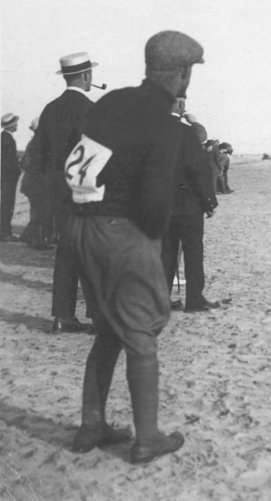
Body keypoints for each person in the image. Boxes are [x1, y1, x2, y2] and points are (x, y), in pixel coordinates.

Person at [67, 30, 204, 464]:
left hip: (81, 225)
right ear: (182, 74)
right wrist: (150, 238)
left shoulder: (111, 101)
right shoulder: (165, 124)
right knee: (142, 328)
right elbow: (155, 203)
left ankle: (92, 424)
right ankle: (147, 439)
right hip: (121, 231)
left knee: (110, 326)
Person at [37, 52, 99, 333]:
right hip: (84, 192)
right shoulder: (90, 109)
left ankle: (62, 316)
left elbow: (38, 157)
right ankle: (99, 318)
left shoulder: (50, 109)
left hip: (58, 194)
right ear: (86, 76)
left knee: (66, 252)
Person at [161, 99, 219, 313]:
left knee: (165, 254)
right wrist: (209, 202)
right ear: (181, 105)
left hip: (162, 205)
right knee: (193, 252)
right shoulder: (188, 133)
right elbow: (198, 170)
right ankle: (194, 300)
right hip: (189, 205)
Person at [19, 118, 53, 249]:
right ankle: (37, 241)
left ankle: (29, 236)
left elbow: (24, 163)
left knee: (37, 211)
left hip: (31, 183)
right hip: (38, 183)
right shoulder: (40, 144)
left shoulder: (32, 142)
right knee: (41, 212)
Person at [1, 113, 21, 241]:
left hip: (5, 177)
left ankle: (4, 231)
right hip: (8, 178)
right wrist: (17, 169)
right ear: (11, 125)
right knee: (7, 204)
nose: (17, 125)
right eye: (15, 123)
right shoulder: (8, 139)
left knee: (5, 203)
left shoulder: (4, 137)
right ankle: (4, 232)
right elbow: (9, 162)